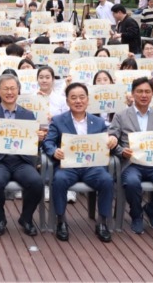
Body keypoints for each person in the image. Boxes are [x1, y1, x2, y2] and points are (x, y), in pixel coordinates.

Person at [42, 83, 117, 242]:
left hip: (92, 167)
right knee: (59, 180)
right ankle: (61, 220)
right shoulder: (58, 121)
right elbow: (48, 142)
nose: (78, 101)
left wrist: (112, 140)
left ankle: (102, 222)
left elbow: (106, 143)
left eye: (82, 97)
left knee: (107, 180)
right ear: (67, 101)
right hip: (68, 166)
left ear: (88, 100)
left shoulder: (98, 122)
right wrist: (54, 151)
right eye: (74, 98)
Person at [0, 74, 44, 237]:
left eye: (13, 88)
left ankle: (26, 218)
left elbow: (34, 146)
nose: (10, 92)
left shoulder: (28, 115)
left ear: (19, 90)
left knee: (36, 183)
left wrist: (39, 139)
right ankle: (0, 219)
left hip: (22, 162)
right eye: (5, 89)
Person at [108, 77, 153, 235]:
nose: (144, 95)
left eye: (147, 91)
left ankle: (152, 211)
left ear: (152, 94)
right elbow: (111, 139)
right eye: (140, 91)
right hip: (131, 163)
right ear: (133, 94)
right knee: (132, 183)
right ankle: (136, 215)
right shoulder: (121, 115)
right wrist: (121, 151)